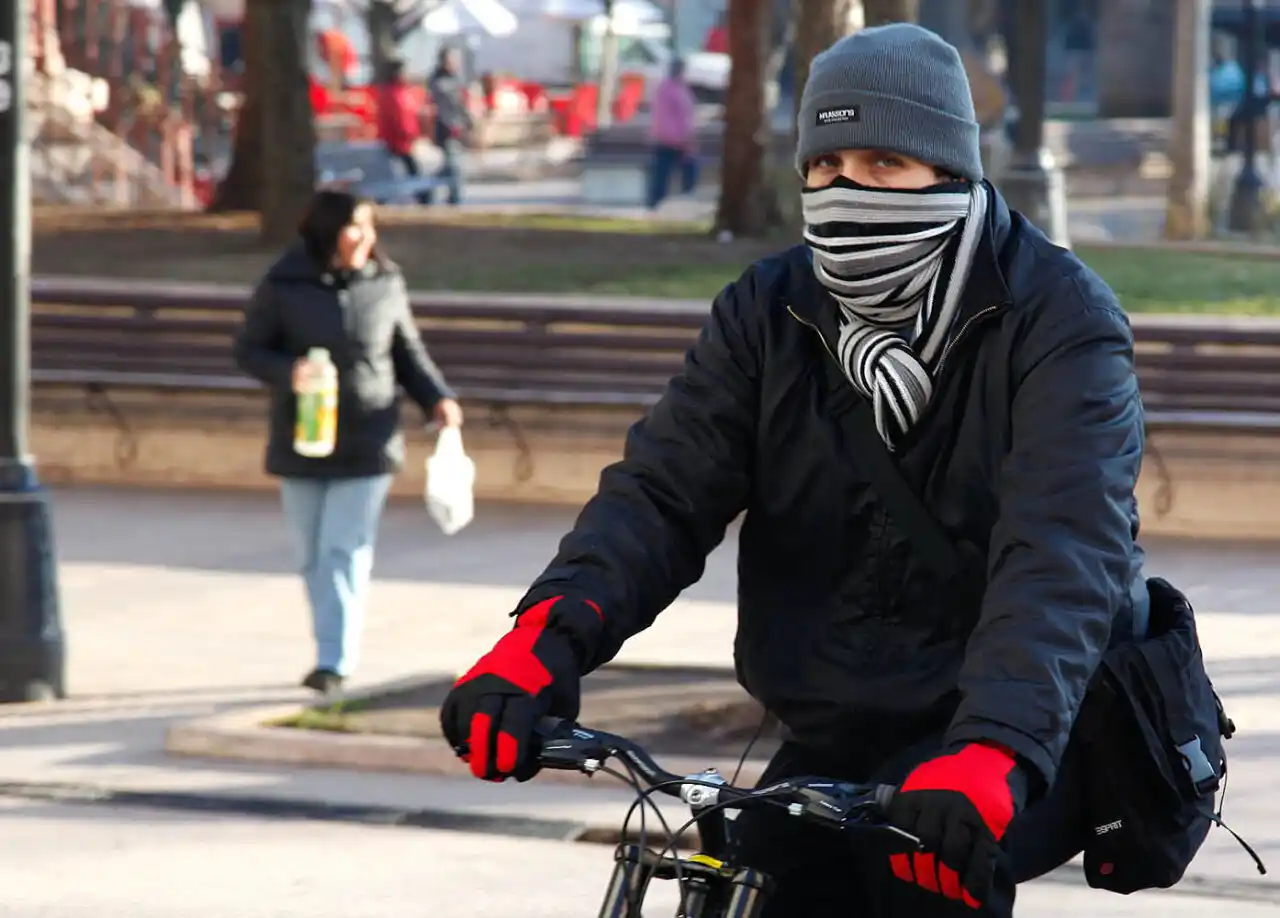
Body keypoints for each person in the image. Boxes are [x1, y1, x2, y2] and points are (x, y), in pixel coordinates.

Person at [440, 24, 1146, 918]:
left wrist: (994, 748)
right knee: (754, 875)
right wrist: (543, 641)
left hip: (1015, 722)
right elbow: (662, 493)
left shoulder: (1059, 318)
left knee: (915, 889)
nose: (848, 191)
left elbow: (1063, 549)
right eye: (827, 164)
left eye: (885, 163)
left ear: (951, 173)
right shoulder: (768, 309)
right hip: (838, 720)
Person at [234, 190, 463, 695]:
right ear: (328, 231)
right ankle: (329, 647)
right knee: (312, 554)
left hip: (369, 436)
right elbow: (249, 350)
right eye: (355, 227)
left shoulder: (385, 282)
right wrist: (287, 371)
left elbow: (407, 352)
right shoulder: (284, 283)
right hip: (304, 438)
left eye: (370, 228)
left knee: (343, 548)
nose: (366, 238)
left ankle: (333, 661)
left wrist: (438, 399)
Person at [376, 59, 430, 205]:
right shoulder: (394, 94)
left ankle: (421, 198)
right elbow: (400, 120)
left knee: (405, 171)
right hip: (399, 142)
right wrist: (410, 134)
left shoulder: (400, 92)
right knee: (412, 172)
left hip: (401, 141)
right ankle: (423, 199)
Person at [646, 58, 699, 210]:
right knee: (689, 168)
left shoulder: (662, 89)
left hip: (661, 137)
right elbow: (684, 117)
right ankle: (685, 194)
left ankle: (656, 201)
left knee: (661, 172)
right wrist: (688, 138)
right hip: (677, 139)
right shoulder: (679, 90)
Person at [428, 46, 472, 207]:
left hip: (458, 127)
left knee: (450, 166)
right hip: (446, 128)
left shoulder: (456, 79)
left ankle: (427, 187)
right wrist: (452, 125)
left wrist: (468, 123)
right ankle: (455, 198)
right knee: (454, 166)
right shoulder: (438, 81)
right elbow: (443, 107)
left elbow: (461, 106)